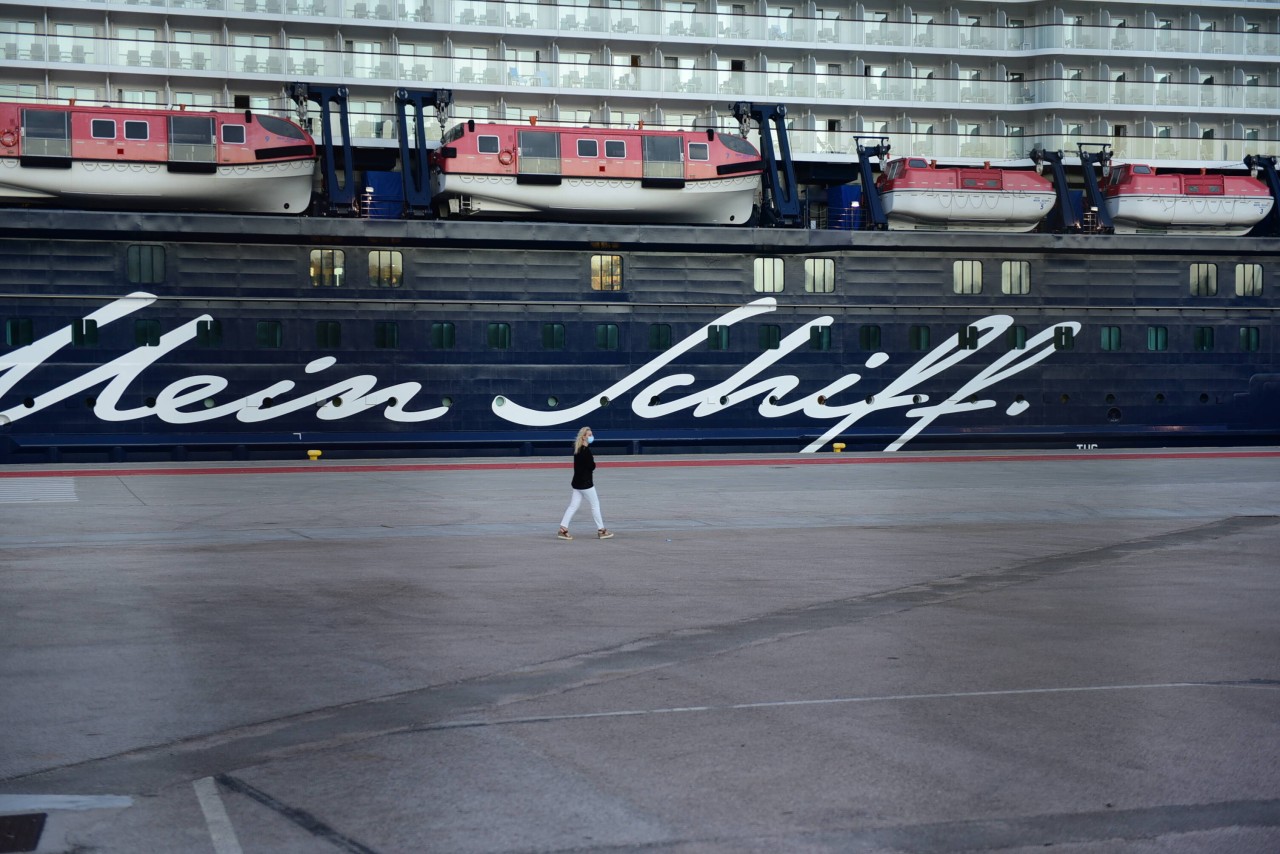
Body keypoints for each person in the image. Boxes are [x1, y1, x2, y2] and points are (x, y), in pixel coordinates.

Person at [557, 426, 614, 540]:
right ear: (584, 437)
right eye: (589, 435)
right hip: (586, 484)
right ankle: (601, 530)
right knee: (595, 505)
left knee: (573, 506)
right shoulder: (586, 451)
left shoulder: (577, 449)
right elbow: (592, 466)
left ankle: (563, 529)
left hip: (577, 483)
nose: (591, 437)